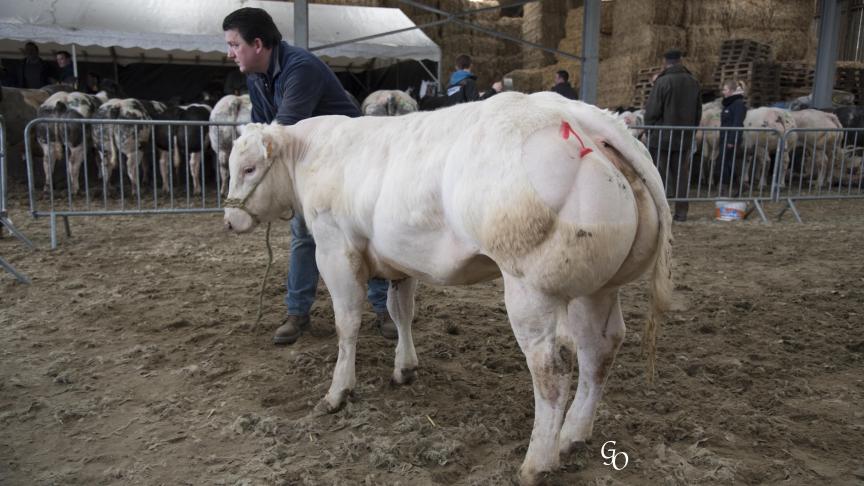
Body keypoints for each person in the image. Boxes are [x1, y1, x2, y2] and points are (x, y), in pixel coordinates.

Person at [222, 7, 396, 345]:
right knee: (303, 233)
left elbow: (283, 130)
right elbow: (262, 130)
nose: (230, 53)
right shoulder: (255, 77)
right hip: (311, 165)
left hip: (349, 163)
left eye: (234, 44)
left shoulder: (299, 68)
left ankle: (382, 308)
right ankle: (298, 312)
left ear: (257, 44)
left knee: (361, 233)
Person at [643, 48, 702, 222]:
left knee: (659, 173)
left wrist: (650, 129)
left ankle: (661, 211)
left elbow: (652, 110)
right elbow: (698, 111)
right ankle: (682, 212)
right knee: (681, 174)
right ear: (680, 61)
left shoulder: (663, 82)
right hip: (684, 136)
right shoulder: (693, 82)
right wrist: (691, 130)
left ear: (665, 62)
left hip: (662, 137)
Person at [718, 79, 747, 197]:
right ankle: (734, 187)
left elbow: (737, 123)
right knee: (725, 163)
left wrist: (732, 140)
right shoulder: (729, 104)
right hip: (725, 137)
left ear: (731, 91)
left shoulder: (738, 104)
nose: (723, 92)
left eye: (725, 90)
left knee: (727, 163)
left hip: (730, 139)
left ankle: (732, 187)